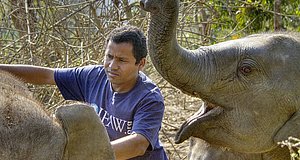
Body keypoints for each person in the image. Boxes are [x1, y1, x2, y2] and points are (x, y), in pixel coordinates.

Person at [0, 25, 168, 160]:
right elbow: (47, 75)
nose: (112, 65)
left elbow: (138, 144)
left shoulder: (149, 97)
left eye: (122, 60)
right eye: (109, 57)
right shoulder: (93, 76)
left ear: (141, 64)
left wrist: (83, 155)